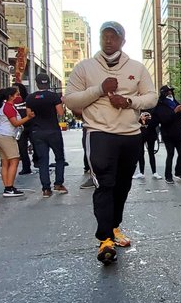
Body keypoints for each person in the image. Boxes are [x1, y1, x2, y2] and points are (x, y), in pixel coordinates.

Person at [63, 21, 157, 264]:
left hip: (130, 135)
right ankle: (104, 239)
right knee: (105, 184)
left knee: (123, 185)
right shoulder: (85, 67)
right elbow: (70, 100)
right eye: (104, 36)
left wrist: (128, 102)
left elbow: (151, 97)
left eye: (113, 36)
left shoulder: (136, 67)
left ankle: (114, 227)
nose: (108, 40)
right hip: (99, 133)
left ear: (122, 41)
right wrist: (99, 89)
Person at [26, 71, 68, 197]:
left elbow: (29, 115)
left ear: (37, 83)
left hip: (37, 132)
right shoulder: (54, 96)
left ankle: (46, 189)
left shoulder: (30, 98)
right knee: (59, 158)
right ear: (48, 83)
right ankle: (58, 184)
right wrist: (63, 104)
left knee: (43, 160)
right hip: (53, 131)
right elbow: (60, 113)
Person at [0, 86, 32, 196]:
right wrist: (28, 117)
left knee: (5, 163)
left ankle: (7, 187)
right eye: (17, 94)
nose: (18, 96)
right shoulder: (8, 107)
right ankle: (9, 188)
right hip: (7, 136)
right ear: (10, 96)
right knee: (14, 160)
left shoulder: (3, 106)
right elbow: (15, 123)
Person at [153, 85, 181, 183]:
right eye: (168, 91)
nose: (170, 93)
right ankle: (168, 175)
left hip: (179, 132)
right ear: (164, 93)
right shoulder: (160, 105)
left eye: (171, 91)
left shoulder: (175, 102)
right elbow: (164, 119)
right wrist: (175, 111)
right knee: (170, 154)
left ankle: (178, 172)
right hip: (168, 133)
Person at [135, 108, 160, 180]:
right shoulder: (138, 109)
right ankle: (141, 172)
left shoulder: (153, 109)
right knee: (140, 153)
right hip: (140, 134)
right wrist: (141, 120)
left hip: (151, 134)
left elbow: (156, 121)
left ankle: (154, 172)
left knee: (151, 153)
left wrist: (147, 122)